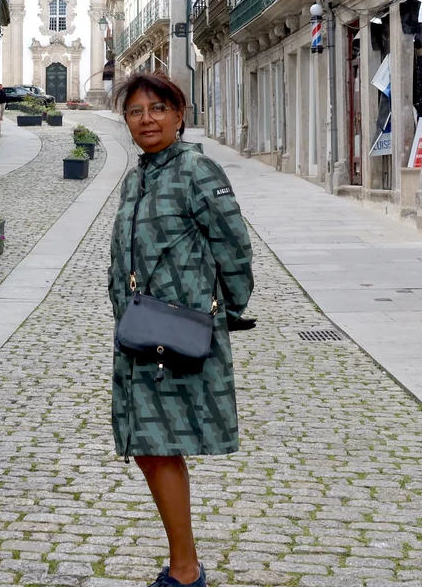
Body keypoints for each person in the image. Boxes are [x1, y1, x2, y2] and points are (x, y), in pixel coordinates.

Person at [108, 73, 254, 587]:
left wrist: (224, 311)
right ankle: (185, 566)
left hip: (176, 335)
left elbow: (234, 246)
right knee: (147, 447)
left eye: (157, 109)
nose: (146, 119)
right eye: (135, 111)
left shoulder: (196, 169)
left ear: (179, 114)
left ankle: (185, 571)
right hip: (138, 333)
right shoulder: (136, 177)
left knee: (157, 446)